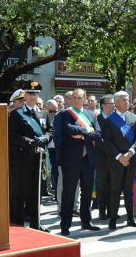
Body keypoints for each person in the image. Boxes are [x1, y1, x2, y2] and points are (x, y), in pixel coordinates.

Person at [55, 88, 102, 236]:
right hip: (71, 160)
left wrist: (81, 135)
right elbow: (68, 129)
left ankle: (86, 221)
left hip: (88, 160)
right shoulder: (65, 114)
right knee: (68, 193)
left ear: (85, 99)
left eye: (79, 98)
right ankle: (65, 225)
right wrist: (87, 131)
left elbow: (98, 134)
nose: (76, 100)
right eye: (74, 98)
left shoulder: (91, 114)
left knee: (87, 193)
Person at [8, 81, 52, 232]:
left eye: (35, 94)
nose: (33, 96)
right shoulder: (16, 114)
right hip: (22, 159)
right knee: (20, 192)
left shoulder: (44, 113)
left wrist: (45, 138)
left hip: (39, 159)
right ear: (24, 95)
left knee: (36, 192)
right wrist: (30, 142)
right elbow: (13, 136)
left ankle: (36, 223)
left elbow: (51, 131)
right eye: (29, 93)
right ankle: (18, 223)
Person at [102, 91, 136, 230]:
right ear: (116, 102)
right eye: (124, 100)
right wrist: (120, 157)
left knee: (129, 190)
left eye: (128, 99)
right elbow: (107, 142)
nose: (127, 102)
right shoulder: (109, 120)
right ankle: (113, 218)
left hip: (131, 159)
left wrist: (130, 153)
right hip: (116, 161)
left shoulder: (134, 118)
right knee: (115, 189)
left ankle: (131, 218)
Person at [95, 95, 115, 220]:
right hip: (102, 158)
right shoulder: (97, 119)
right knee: (102, 186)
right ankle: (102, 211)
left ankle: (112, 210)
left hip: (115, 159)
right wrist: (113, 151)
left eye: (114, 103)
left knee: (113, 186)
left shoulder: (115, 118)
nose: (113, 106)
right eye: (111, 103)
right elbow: (98, 139)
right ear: (103, 105)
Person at [44, 100, 59, 200]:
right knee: (52, 172)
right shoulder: (41, 118)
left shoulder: (60, 118)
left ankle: (57, 194)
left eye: (55, 111)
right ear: (45, 109)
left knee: (57, 172)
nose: (53, 113)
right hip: (47, 149)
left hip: (57, 149)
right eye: (50, 111)